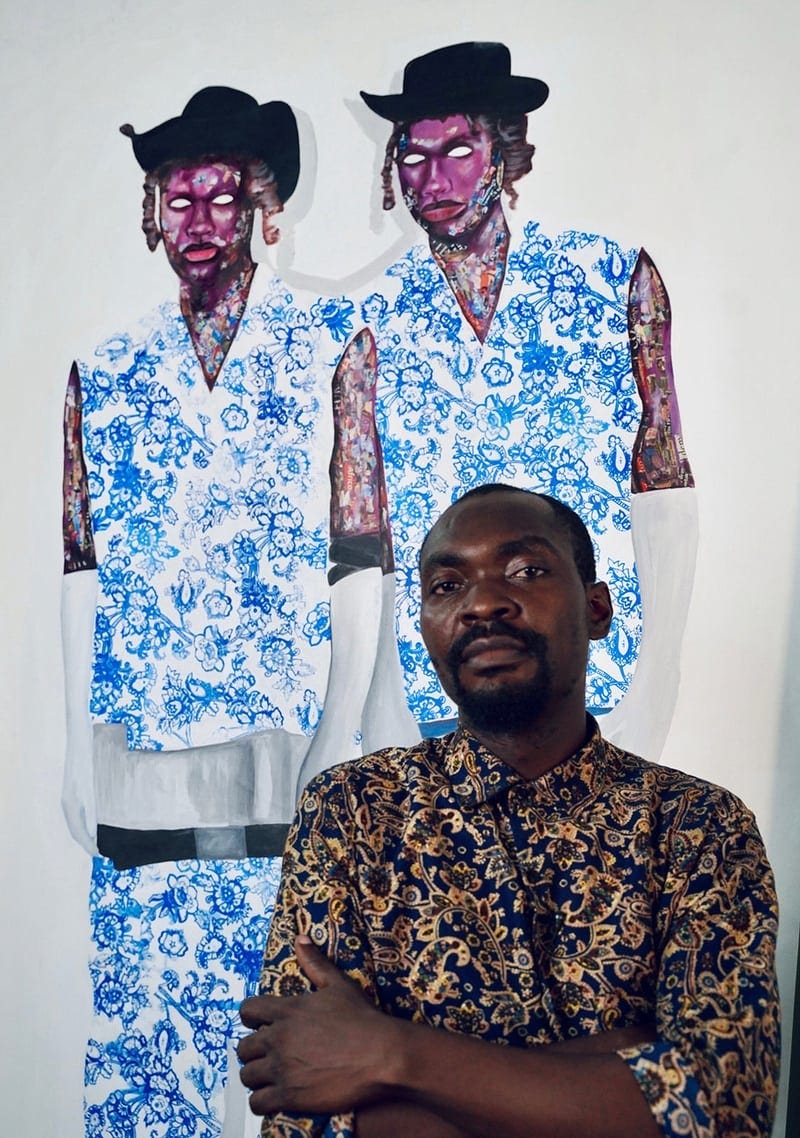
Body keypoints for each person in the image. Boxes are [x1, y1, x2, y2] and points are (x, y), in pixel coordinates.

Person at [61, 85, 414, 1138]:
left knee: (284, 1057)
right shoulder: (105, 370)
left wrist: (338, 738)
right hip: (144, 760)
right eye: (181, 196)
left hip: (282, 753)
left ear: (264, 204)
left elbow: (360, 551)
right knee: (142, 1058)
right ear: (152, 211)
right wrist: (77, 749)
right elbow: (80, 567)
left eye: (224, 194)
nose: (202, 218)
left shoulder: (329, 348)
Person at [239, 484, 780, 1138]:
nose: (483, 603)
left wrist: (390, 1054)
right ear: (425, 628)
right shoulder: (352, 810)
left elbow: (722, 1107)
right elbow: (306, 1107)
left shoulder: (699, 826)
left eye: (526, 571)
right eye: (445, 586)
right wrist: (621, 1074)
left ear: (598, 607)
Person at [297, 42, 699, 795]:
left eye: (458, 149)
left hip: (596, 672)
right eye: (413, 157)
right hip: (428, 690)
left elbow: (664, 479)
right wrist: (357, 712)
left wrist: (660, 672)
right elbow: (359, 532)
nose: (434, 178)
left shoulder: (613, 279)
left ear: (504, 153)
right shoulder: (366, 322)